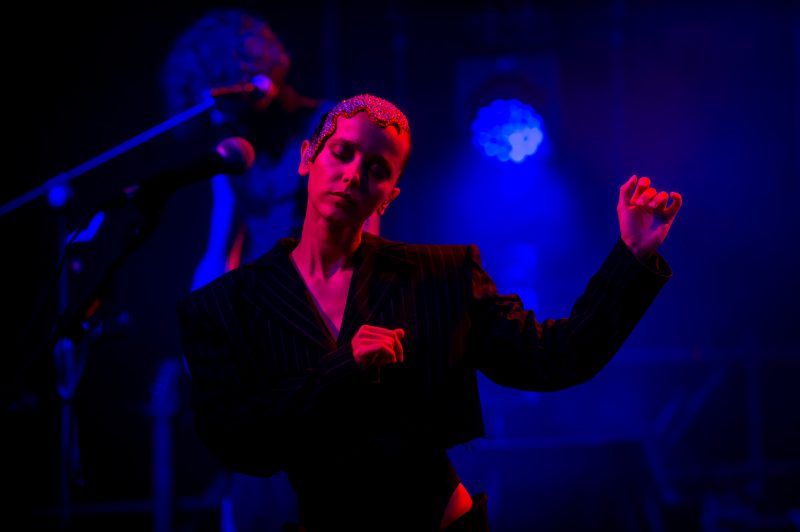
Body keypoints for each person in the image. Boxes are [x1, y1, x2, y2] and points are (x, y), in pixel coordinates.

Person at [176, 93, 683, 531]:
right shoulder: (231, 303)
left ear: (389, 195)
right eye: (342, 153)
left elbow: (556, 357)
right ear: (308, 157)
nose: (353, 175)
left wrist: (632, 258)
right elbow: (234, 436)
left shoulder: (440, 277)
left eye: (377, 170)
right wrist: (344, 368)